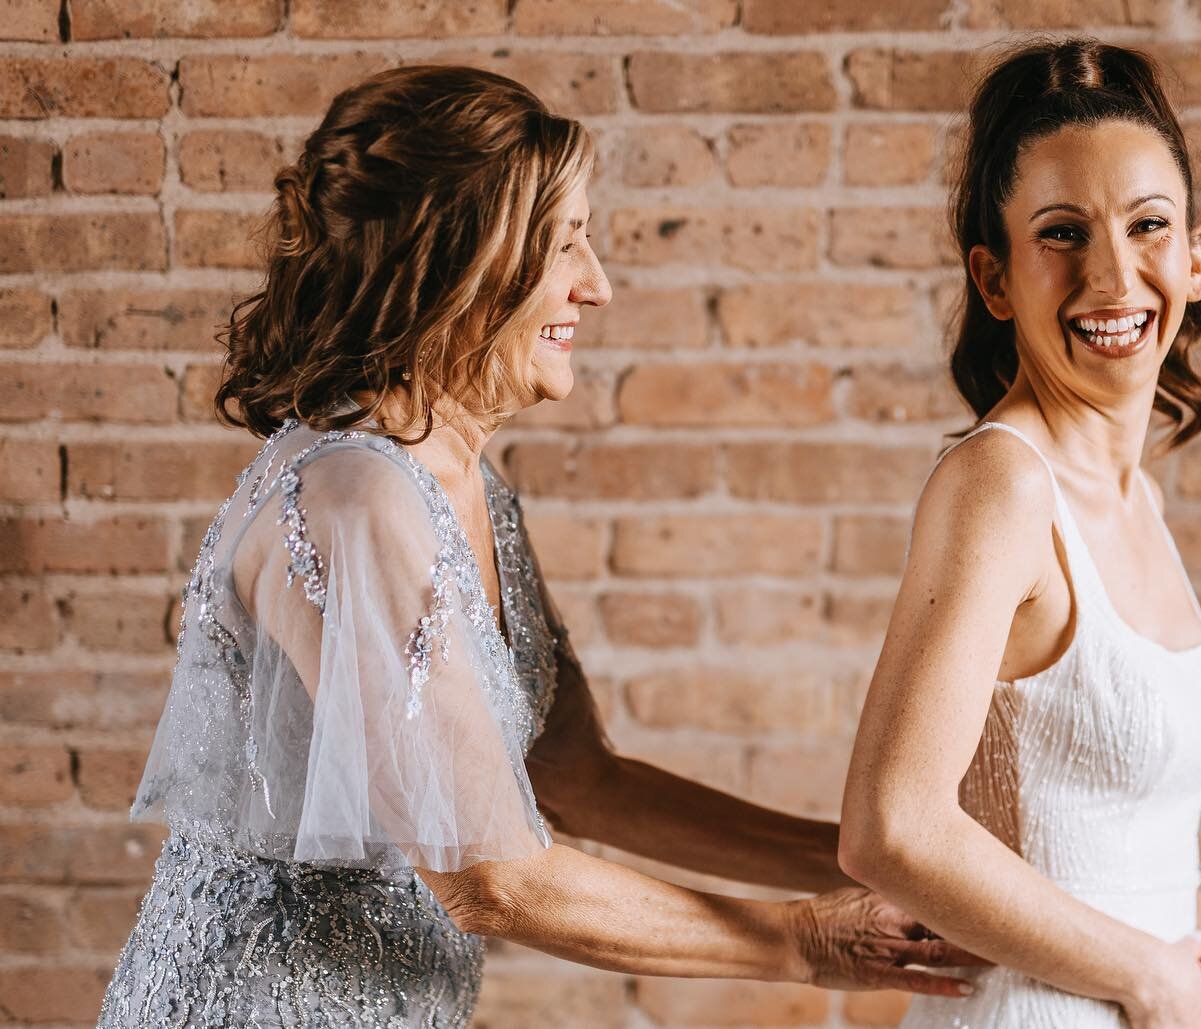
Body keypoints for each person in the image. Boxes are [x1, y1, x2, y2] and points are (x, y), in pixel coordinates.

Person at [97, 65, 978, 1026]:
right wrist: (806, 940)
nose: (595, 287)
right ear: (455, 262)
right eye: (564, 245)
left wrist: (872, 858)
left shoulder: (471, 488)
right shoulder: (354, 500)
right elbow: (492, 878)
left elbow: (576, 779)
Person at [837, 39, 1201, 1029]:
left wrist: (1194, 911)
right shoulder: (1001, 485)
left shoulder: (1131, 494)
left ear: (1195, 259)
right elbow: (891, 829)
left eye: (1148, 226)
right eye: (1063, 234)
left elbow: (1078, 818)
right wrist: (1146, 973)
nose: (1111, 274)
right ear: (994, 279)